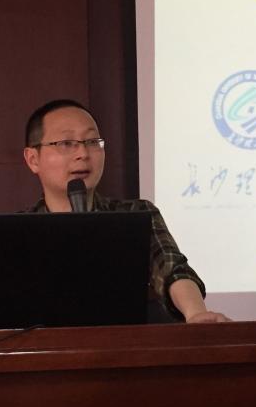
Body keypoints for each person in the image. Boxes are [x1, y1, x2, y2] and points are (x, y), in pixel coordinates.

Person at [22, 99, 229, 323]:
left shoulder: (135, 215)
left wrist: (196, 313)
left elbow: (171, 269)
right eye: (66, 143)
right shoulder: (20, 232)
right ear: (33, 159)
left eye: (92, 141)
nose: (83, 153)